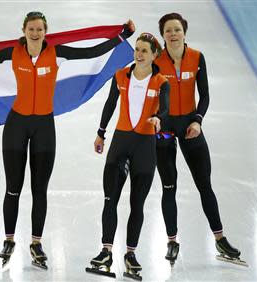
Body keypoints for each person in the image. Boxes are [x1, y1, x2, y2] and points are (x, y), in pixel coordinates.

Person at [0, 12, 135, 269]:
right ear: (24, 30)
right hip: (16, 125)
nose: (36, 33)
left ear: (45, 31)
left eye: (40, 29)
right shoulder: (13, 52)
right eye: (31, 29)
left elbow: (91, 52)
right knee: (13, 188)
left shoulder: (56, 51)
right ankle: (9, 239)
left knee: (39, 190)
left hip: (43, 126)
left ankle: (36, 242)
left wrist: (120, 37)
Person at [153, 13, 245, 266]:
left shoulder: (197, 58)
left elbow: (204, 95)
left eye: (177, 30)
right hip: (165, 128)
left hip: (190, 126)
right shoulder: (157, 60)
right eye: (168, 31)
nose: (173, 34)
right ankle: (172, 241)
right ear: (163, 35)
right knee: (168, 186)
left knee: (205, 184)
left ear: (184, 32)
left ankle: (220, 238)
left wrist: (197, 120)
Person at [86, 33, 169, 279]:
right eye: (137, 49)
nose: (139, 54)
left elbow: (165, 107)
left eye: (145, 50)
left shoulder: (161, 81)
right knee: (109, 199)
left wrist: (159, 119)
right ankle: (106, 251)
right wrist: (101, 133)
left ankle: (130, 254)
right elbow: (110, 104)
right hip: (120, 143)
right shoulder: (121, 75)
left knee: (137, 203)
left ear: (155, 55)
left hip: (145, 146)